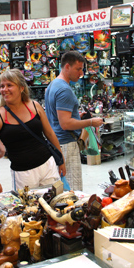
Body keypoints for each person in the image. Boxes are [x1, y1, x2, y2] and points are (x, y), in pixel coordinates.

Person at [0, 69, 65, 194]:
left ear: (21, 88)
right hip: (23, 174)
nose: (4, 89)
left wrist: (61, 160)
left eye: (9, 85)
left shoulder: (34, 106)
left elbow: (49, 134)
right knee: (29, 210)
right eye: (2, 86)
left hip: (48, 166)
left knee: (55, 203)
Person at [44, 51, 103, 191]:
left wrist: (77, 116)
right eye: (78, 69)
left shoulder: (53, 85)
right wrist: (91, 122)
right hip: (66, 145)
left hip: (56, 143)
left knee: (61, 188)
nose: (81, 73)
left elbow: (56, 116)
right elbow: (65, 124)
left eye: (82, 69)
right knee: (73, 192)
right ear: (67, 67)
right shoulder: (65, 90)